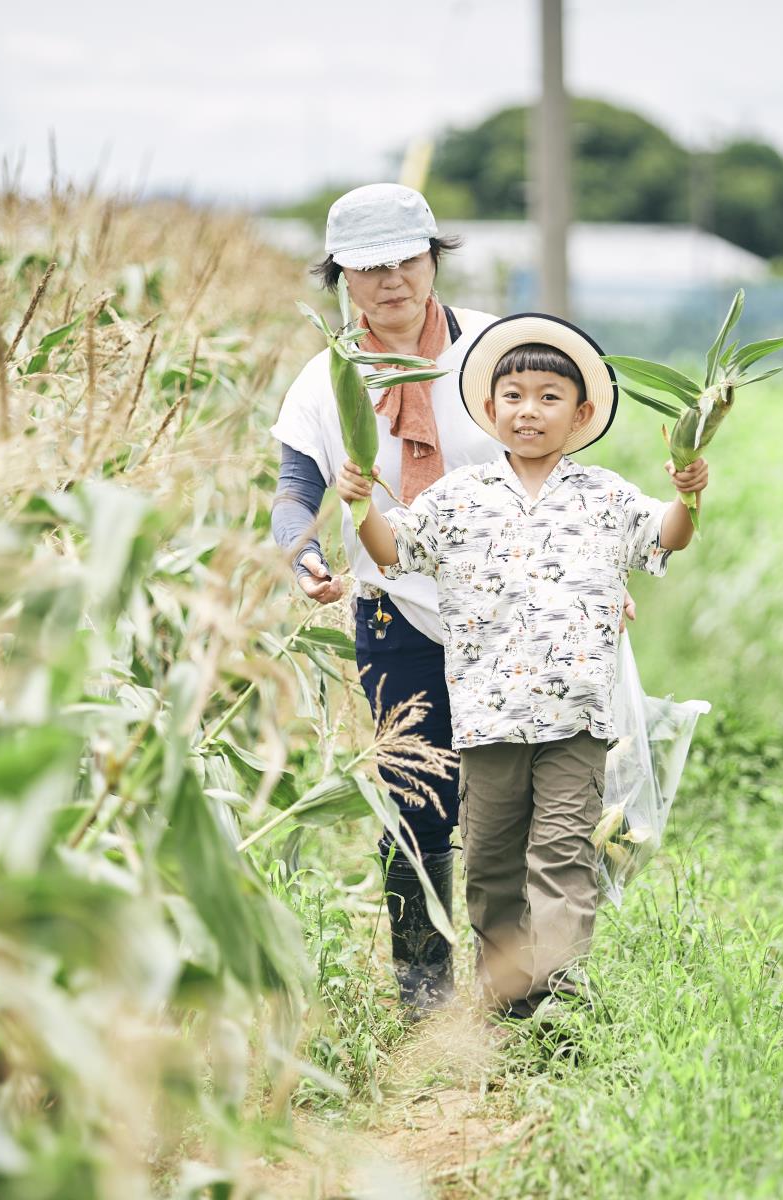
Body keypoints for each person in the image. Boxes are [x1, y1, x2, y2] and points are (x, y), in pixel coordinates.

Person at [270, 183, 634, 1014]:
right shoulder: (325, 382)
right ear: (341, 280)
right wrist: (304, 556)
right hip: (399, 611)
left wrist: (597, 583)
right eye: (368, 269)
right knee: (418, 791)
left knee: (532, 807)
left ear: (433, 257)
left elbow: (568, 470)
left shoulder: (497, 351)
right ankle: (422, 990)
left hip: (521, 620)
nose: (391, 282)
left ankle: (526, 994)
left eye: (406, 260)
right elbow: (295, 491)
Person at [334, 313, 708, 1017]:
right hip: (486, 718)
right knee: (495, 865)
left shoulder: (606, 496)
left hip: (577, 718)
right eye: (513, 396)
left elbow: (666, 535)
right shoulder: (454, 499)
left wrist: (688, 492)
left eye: (547, 397)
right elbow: (394, 552)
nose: (528, 411)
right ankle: (507, 998)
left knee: (564, 858)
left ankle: (559, 995)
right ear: (489, 408)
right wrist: (358, 506)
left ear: (581, 413)